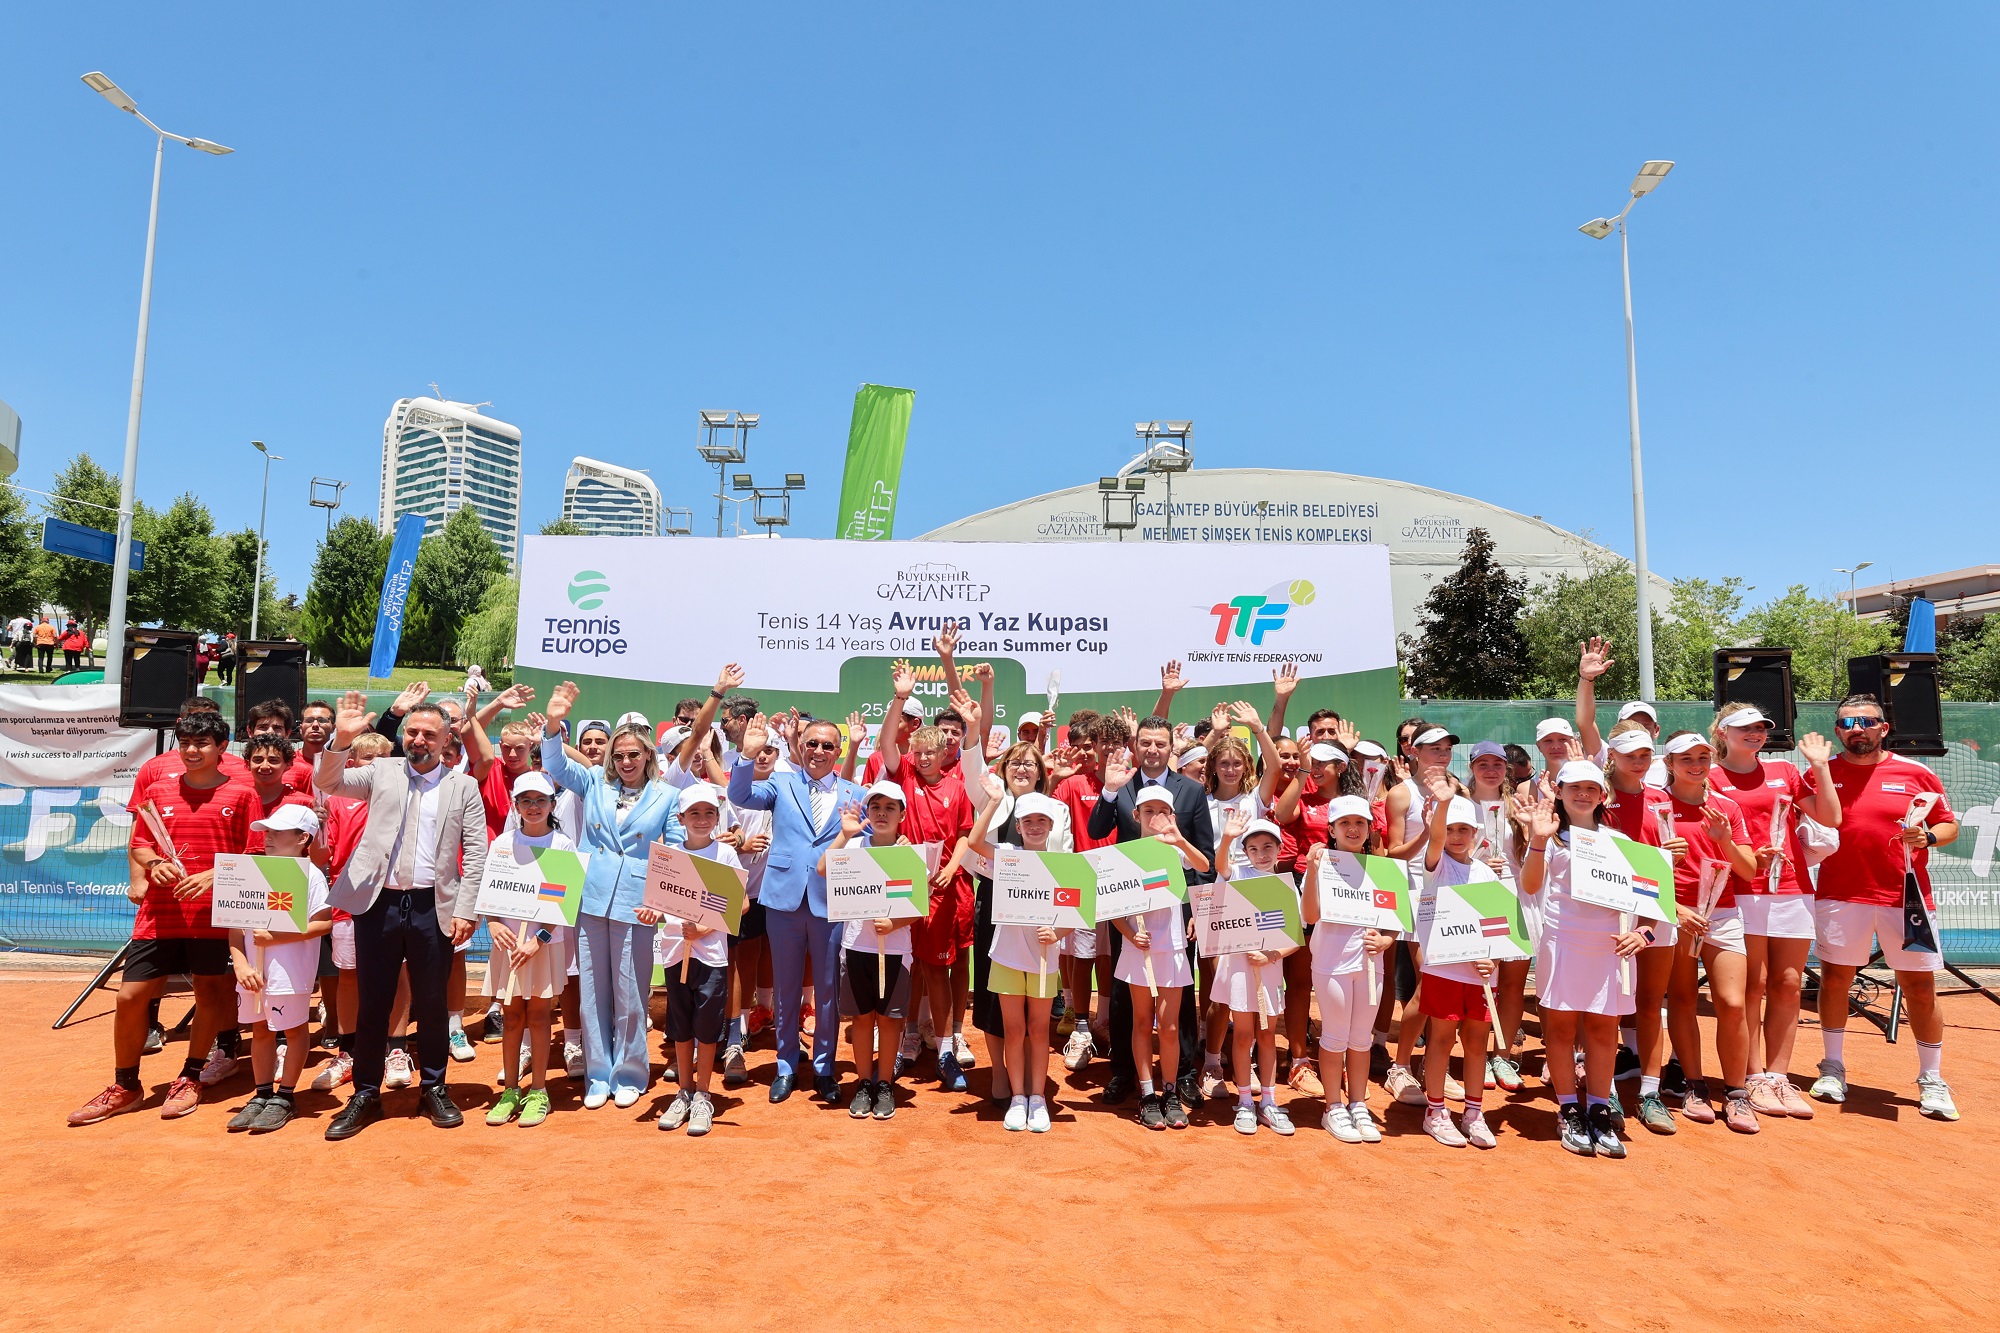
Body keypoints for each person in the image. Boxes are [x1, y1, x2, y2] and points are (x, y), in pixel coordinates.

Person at [67, 710, 256, 1126]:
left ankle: (190, 1077)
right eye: (185, 743)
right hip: (159, 913)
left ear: (222, 749)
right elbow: (140, 845)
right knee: (130, 997)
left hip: (214, 914)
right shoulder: (156, 791)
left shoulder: (242, 795)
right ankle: (125, 1085)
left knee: (209, 995)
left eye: (202, 743)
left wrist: (215, 875)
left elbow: (255, 852)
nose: (191, 751)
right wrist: (154, 865)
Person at [314, 692, 488, 1141]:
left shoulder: (463, 786)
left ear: (447, 740)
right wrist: (340, 741)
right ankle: (366, 1093)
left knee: (432, 1004)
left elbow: (477, 852)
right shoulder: (382, 771)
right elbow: (330, 783)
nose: (419, 740)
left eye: (430, 734)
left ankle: (433, 1087)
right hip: (378, 903)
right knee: (374, 1001)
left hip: (436, 908)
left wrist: (467, 910)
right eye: (412, 732)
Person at [1810, 694, 1961, 1119]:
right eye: (1847, 722)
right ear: (1838, 731)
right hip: (1841, 896)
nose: (1857, 728)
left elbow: (1949, 824)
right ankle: (1833, 1068)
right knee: (1836, 980)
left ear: (1884, 728)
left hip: (1906, 898)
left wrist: (1928, 838)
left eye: (1866, 721)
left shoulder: (1916, 773)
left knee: (1919, 987)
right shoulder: (1821, 773)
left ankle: (1931, 1079)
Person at [537, 684, 684, 1110]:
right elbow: (555, 763)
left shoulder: (668, 796)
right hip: (590, 897)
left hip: (637, 902)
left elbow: (671, 850)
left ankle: (631, 1072)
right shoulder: (593, 785)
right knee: (592, 991)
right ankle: (599, 1074)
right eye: (618, 756)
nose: (625, 762)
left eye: (633, 755)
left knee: (631, 990)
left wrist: (661, 899)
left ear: (648, 757)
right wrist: (553, 722)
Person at [729, 707, 868, 1104]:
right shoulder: (780, 782)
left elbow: (879, 833)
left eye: (827, 745)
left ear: (839, 751)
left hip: (832, 901)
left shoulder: (855, 794)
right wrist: (745, 756)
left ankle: (825, 1069)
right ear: (801, 747)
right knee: (786, 988)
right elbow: (740, 794)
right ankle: (786, 1065)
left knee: (827, 992)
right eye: (812, 744)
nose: (819, 751)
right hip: (784, 898)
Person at [1706, 703, 1839, 1118]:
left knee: (1788, 983)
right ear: (1723, 733)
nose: (1756, 733)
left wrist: (1820, 766)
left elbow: (1831, 817)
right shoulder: (1707, 776)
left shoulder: (1785, 771)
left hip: (1794, 888)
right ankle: (1753, 1076)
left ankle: (1779, 1077)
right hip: (1741, 889)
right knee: (1754, 983)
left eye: (1761, 728)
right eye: (1745, 728)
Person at [1519, 761, 1653, 1158]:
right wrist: (1538, 840)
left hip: (1610, 947)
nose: (1582, 793)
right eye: (1573, 787)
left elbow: (1649, 901)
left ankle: (1597, 1108)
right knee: (1558, 1033)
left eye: (1591, 788)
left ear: (1603, 796)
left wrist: (1641, 933)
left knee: (1601, 1034)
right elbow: (1529, 886)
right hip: (1561, 943)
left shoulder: (1620, 842)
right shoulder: (1548, 838)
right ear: (1558, 792)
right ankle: (1568, 1108)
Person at [875, 663, 976, 1092]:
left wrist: (954, 866)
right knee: (904, 967)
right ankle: (905, 1042)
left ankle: (947, 1048)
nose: (924, 756)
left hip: (944, 890)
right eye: (919, 751)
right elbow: (884, 742)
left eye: (932, 751)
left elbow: (969, 833)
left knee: (937, 970)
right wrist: (899, 698)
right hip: (903, 888)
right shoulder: (904, 776)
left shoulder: (958, 784)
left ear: (946, 754)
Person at [1655, 731, 1761, 1133]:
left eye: (1703, 757)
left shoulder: (1727, 807)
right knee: (1681, 999)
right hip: (1676, 914)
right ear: (1669, 764)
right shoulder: (1657, 806)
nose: (1696, 765)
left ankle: (1736, 1093)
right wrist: (1676, 909)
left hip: (1723, 913)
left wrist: (1726, 841)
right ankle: (1695, 1086)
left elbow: (1749, 870)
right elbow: (1641, 871)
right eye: (1686, 758)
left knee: (1732, 1004)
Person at [966, 739, 1066, 1102]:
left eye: (1029, 763)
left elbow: (1067, 866)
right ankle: (1001, 1075)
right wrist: (993, 800)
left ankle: (1031, 1089)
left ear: (1041, 772)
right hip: (997, 910)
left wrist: (1057, 923)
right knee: (999, 1005)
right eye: (1014, 762)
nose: (1021, 769)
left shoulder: (1057, 808)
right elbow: (974, 843)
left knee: (1036, 1018)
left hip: (1044, 916)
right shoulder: (990, 799)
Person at [225, 805, 333, 1134]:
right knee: (260, 1031)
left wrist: (276, 937)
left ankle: (285, 1096)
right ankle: (261, 1095)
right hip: (253, 973)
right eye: (267, 830)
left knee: (295, 1030)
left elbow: (324, 923)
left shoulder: (311, 875)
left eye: (277, 831)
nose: (268, 836)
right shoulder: (249, 871)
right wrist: (240, 962)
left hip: (291, 972)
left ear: (303, 838)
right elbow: (233, 927)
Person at [1110, 784, 1211, 1129]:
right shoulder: (1123, 854)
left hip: (1172, 949)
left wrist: (1179, 840)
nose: (1155, 818)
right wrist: (1129, 933)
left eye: (1162, 812)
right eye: (1148, 812)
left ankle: (1170, 1092)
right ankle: (1147, 1094)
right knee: (1141, 1022)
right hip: (1138, 948)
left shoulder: (1175, 850)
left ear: (1172, 816)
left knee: (1168, 1026)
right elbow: (1111, 909)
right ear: (1136, 816)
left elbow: (1204, 863)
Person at [642, 782, 739, 1137]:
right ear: (680, 818)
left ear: (717, 817)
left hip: (712, 955)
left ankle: (703, 1095)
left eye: (709, 813)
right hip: (673, 954)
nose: (702, 819)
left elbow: (740, 904)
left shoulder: (725, 855)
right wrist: (649, 911)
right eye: (694, 813)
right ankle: (683, 1091)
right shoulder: (668, 856)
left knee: (707, 1028)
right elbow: (657, 901)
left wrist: (703, 926)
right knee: (681, 1027)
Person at [1596, 723, 1680, 1128]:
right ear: (1612, 755)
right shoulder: (1598, 797)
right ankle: (1604, 1091)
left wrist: (1672, 857)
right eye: (1630, 754)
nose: (1639, 762)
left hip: (1654, 910)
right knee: (1605, 1003)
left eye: (1646, 754)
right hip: (1606, 911)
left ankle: (1649, 1092)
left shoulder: (1662, 798)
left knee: (1650, 1003)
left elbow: (1663, 863)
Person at [479, 772, 573, 1129]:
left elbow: (563, 903)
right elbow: (490, 897)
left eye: (541, 801)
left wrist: (539, 940)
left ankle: (538, 1090)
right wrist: (494, 923)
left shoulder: (562, 845)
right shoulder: (501, 844)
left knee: (539, 1016)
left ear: (552, 805)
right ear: (516, 806)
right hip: (508, 946)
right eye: (526, 801)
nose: (533, 808)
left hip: (542, 947)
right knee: (511, 1015)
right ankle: (510, 1091)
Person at [1302, 795, 1396, 1143]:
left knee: (1361, 1039)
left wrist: (1385, 942)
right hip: (1332, 963)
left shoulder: (1383, 868)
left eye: (1360, 823)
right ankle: (1333, 1107)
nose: (1353, 829)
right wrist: (1312, 871)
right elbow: (1310, 916)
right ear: (1332, 830)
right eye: (1345, 824)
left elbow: (1393, 922)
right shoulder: (1322, 865)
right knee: (1335, 1036)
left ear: (1370, 829)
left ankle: (1358, 1104)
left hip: (1372, 966)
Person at [825, 781, 916, 1121]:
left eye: (890, 808)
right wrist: (845, 836)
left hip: (895, 953)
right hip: (856, 948)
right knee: (861, 1019)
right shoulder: (853, 848)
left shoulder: (907, 854)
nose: (881, 813)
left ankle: (885, 1084)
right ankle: (864, 1082)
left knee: (890, 1022)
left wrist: (894, 924)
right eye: (875, 807)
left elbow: (918, 908)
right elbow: (823, 870)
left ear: (901, 815)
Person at [1416, 791, 1500, 1149]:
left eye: (1464, 829)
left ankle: (1473, 1112)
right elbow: (1435, 839)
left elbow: (1498, 924)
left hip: (1480, 974)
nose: (1456, 835)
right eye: (1451, 828)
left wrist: (1493, 959)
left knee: (1477, 1043)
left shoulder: (1485, 872)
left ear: (1477, 834)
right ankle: (1435, 1111)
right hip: (1444, 971)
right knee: (1441, 1039)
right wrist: (1444, 804)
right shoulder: (1435, 865)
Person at [1211, 811, 1298, 1137]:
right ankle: (1245, 1101)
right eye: (1254, 848)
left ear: (1279, 849)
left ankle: (1270, 1101)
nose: (1261, 854)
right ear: (1245, 853)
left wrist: (1271, 954)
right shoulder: (1237, 875)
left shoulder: (1286, 887)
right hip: (1238, 970)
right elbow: (1221, 867)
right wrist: (1228, 838)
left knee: (1266, 1034)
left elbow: (1294, 938)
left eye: (1268, 847)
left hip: (1269, 970)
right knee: (1244, 1034)